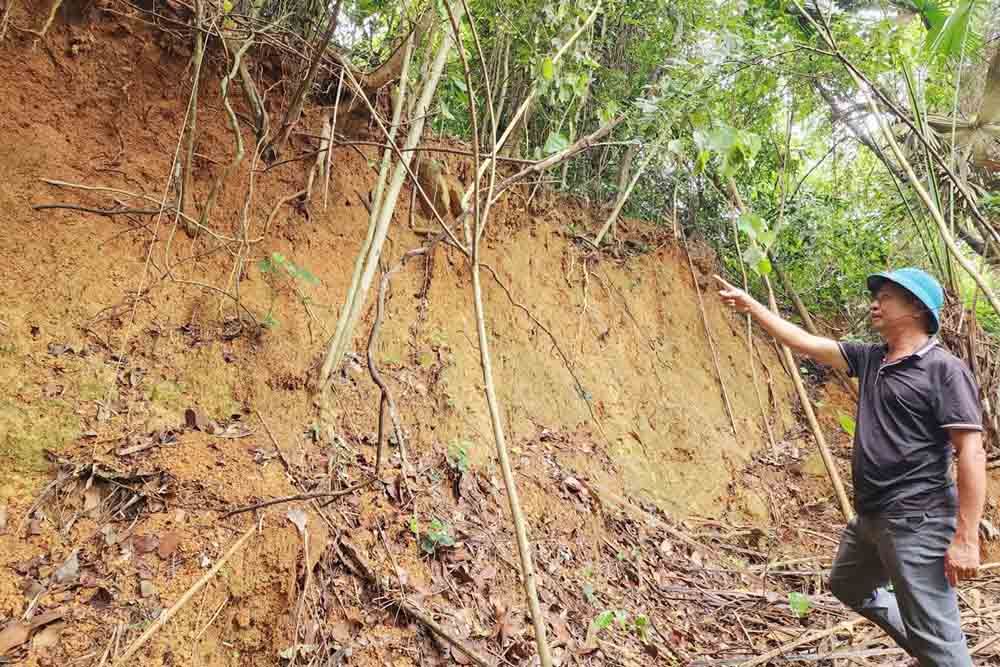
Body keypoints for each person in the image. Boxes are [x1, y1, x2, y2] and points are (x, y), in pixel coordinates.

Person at [715, 268, 986, 666]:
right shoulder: (872, 358)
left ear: (915, 308)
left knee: (942, 641)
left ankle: (939, 654)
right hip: (872, 516)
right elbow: (806, 342)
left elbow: (972, 452)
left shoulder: (943, 370)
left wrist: (966, 538)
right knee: (848, 584)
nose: (875, 302)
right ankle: (930, 652)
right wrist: (752, 306)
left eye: (887, 296)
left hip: (918, 518)